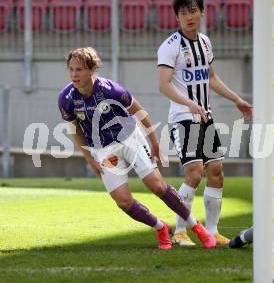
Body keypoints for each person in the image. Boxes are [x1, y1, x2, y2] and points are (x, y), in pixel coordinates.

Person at [58, 47, 216, 250]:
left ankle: (196, 227)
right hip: (104, 151)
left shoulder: (110, 89)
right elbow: (75, 130)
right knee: (123, 202)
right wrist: (89, 158)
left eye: (79, 69)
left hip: (130, 138)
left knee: (156, 185)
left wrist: (155, 143)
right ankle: (161, 227)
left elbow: (139, 111)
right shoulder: (66, 98)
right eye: (71, 69)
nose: (74, 74)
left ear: (91, 70)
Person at [157, 0, 253, 246]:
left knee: (216, 171)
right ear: (177, 17)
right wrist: (190, 104)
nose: (189, 16)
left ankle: (211, 230)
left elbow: (211, 78)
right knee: (194, 173)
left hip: (206, 117)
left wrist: (236, 99)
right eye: (184, 13)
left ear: (201, 12)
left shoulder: (205, 43)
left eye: (193, 11)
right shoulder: (170, 46)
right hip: (183, 118)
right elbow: (164, 85)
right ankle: (179, 231)